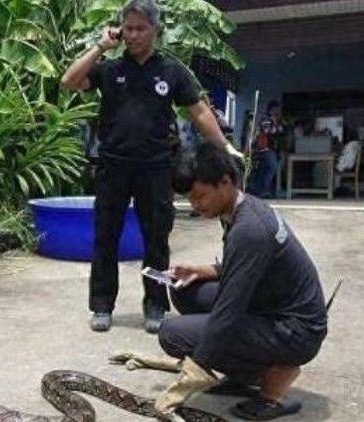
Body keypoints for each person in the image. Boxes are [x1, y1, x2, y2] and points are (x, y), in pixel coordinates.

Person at [60, 0, 243, 333]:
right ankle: (101, 306)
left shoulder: (172, 71)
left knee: (156, 240)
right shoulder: (110, 69)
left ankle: (156, 305)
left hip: (156, 168)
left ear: (155, 30)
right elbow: (69, 81)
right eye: (128, 28)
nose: (133, 35)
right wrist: (101, 46)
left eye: (140, 29)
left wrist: (225, 147)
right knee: (105, 238)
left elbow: (199, 112)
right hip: (112, 167)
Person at [154, 142, 327, 420]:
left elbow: (227, 314)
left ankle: (272, 383)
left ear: (226, 181)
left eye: (201, 196)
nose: (196, 206)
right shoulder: (241, 208)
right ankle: (244, 371)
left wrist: (194, 373)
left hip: (296, 331)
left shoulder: (249, 230)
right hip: (274, 306)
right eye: (190, 199)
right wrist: (204, 270)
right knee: (186, 292)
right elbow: (252, 265)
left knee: (172, 334)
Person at [249, 100, 286, 198]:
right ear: (272, 109)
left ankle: (259, 190)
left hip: (272, 148)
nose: (278, 110)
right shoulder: (266, 119)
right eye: (277, 108)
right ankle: (263, 190)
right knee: (271, 168)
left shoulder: (276, 120)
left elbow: (281, 131)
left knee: (265, 169)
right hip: (265, 149)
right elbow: (268, 131)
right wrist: (277, 126)